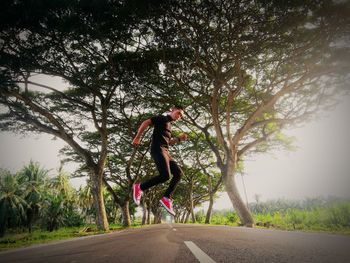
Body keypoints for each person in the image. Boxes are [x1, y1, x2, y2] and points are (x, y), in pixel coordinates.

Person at [132, 105, 188, 216]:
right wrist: (138, 137)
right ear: (172, 110)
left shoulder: (170, 125)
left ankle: (167, 198)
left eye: (181, 116)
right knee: (165, 176)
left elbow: (168, 142)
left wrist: (178, 139)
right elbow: (146, 122)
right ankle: (140, 187)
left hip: (166, 151)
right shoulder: (162, 118)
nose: (179, 116)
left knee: (178, 173)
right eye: (178, 113)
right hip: (158, 149)